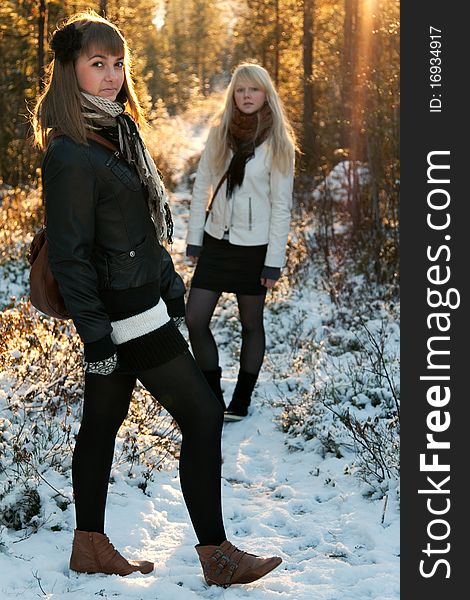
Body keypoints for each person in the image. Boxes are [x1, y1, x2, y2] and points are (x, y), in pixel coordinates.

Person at [32, 11, 282, 587]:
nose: (112, 75)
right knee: (201, 414)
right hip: (124, 312)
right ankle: (216, 554)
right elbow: (70, 256)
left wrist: (170, 282)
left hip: (141, 295)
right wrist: (96, 336)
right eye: (97, 64)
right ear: (69, 72)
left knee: (101, 420)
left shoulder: (115, 130)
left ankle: (89, 545)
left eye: (118, 63)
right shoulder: (70, 152)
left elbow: (134, 227)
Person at [185, 62, 296, 421]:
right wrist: (195, 240)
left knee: (251, 323)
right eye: (241, 90)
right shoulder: (221, 133)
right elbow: (202, 184)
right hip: (218, 240)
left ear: (266, 95)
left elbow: (281, 206)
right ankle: (213, 393)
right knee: (196, 318)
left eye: (255, 90)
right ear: (233, 94)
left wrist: (273, 261)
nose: (247, 96)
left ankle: (242, 399)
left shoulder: (278, 142)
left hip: (255, 248)